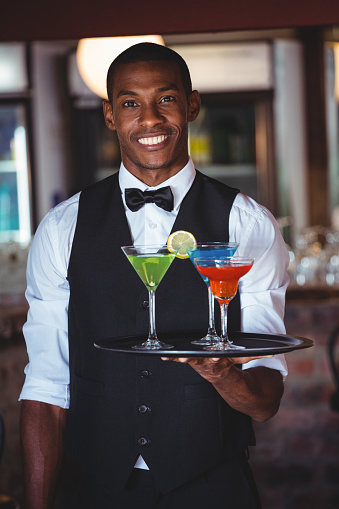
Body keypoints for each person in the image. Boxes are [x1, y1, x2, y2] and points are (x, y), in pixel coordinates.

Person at [20, 42, 289, 509]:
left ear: (192, 105)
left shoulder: (247, 225)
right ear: (109, 115)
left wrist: (224, 376)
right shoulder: (62, 227)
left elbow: (265, 401)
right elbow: (45, 387)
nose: (149, 118)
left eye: (165, 98)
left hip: (213, 487)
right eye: (130, 103)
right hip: (98, 490)